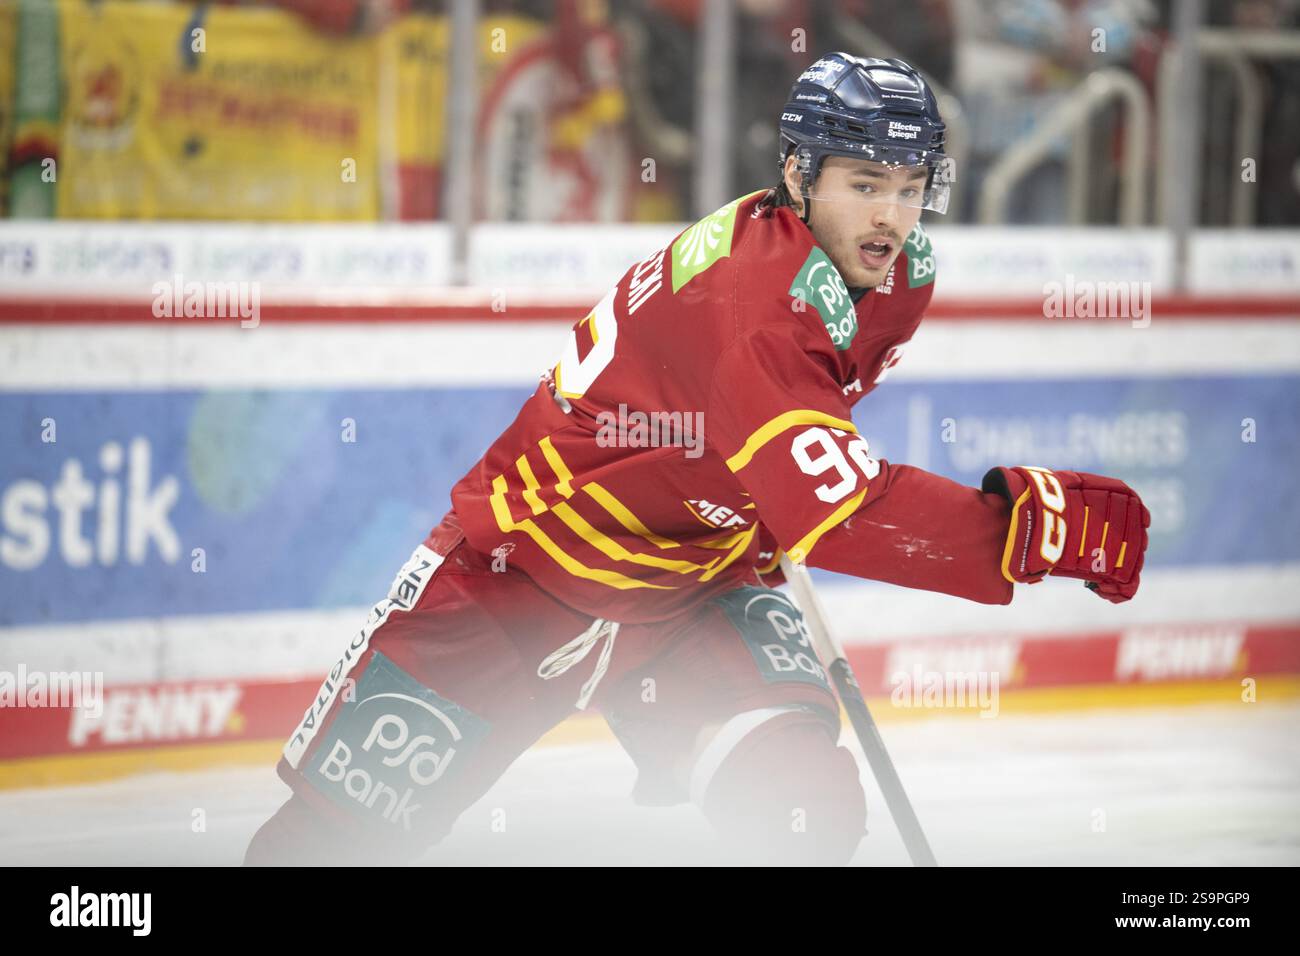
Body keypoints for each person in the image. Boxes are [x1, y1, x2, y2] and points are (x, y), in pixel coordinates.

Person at [244, 52, 1149, 866]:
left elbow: (786, 451)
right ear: (798, 174)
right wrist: (1018, 531)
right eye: (866, 183)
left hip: (690, 593)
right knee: (327, 844)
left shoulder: (896, 276)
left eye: (912, 187)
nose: (892, 218)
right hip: (517, 576)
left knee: (804, 808)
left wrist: (757, 505)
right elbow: (834, 509)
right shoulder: (758, 302)